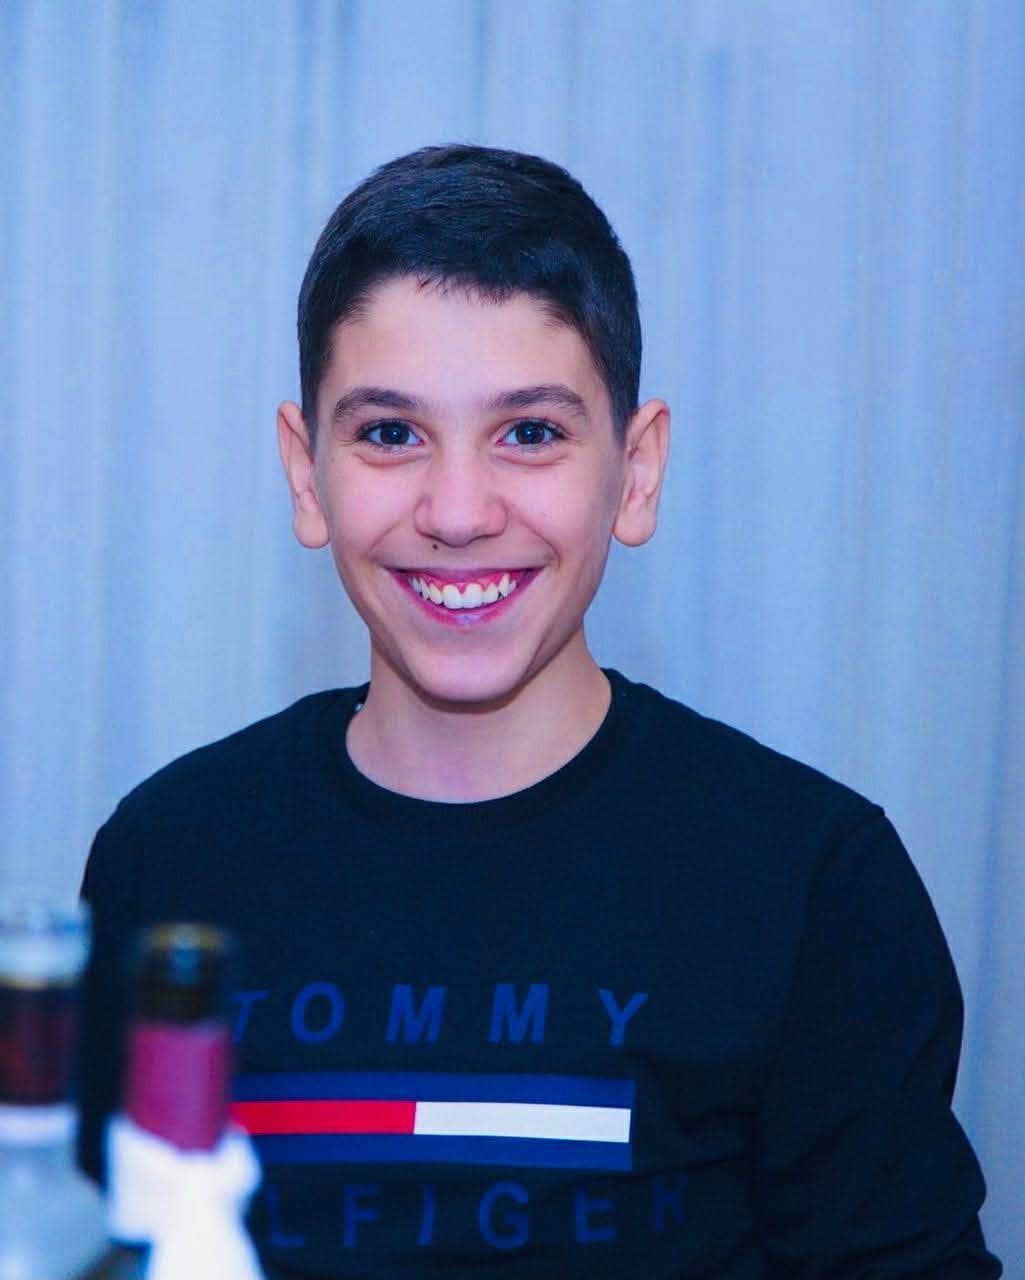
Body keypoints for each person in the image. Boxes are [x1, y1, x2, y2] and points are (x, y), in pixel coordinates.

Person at [77, 143, 1002, 1278]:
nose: (458, 511)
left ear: (637, 469)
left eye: (529, 433)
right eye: (389, 433)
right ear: (307, 473)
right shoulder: (171, 856)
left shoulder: (812, 881)